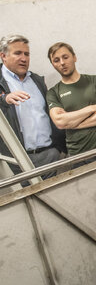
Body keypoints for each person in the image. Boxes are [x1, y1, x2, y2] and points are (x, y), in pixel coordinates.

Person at [0, 35, 65, 178]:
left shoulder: (36, 80)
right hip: (17, 162)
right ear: (3, 56)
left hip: (49, 156)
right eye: (18, 53)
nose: (24, 58)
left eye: (26, 54)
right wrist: (4, 99)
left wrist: (58, 148)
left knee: (54, 199)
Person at [46, 42, 96, 160]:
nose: (62, 63)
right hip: (78, 156)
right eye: (56, 60)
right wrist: (91, 108)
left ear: (74, 57)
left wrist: (73, 123)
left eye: (65, 57)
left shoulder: (95, 81)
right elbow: (60, 122)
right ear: (53, 64)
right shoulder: (53, 92)